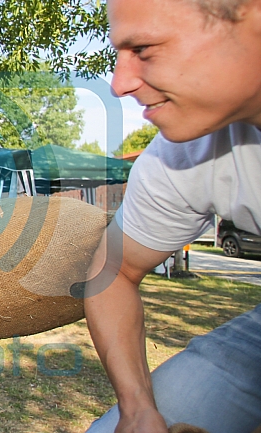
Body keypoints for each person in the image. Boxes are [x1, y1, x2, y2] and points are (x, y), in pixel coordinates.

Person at [85, 0, 261, 432]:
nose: (118, 84)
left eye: (143, 49)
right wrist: (137, 408)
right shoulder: (183, 154)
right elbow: (112, 269)